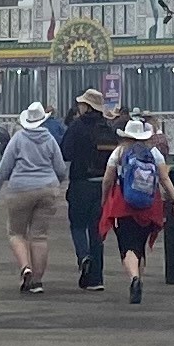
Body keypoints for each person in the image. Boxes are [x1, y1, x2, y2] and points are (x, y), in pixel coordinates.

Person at [0, 100, 69, 293]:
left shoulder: (18, 139)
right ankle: (37, 281)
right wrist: (55, 183)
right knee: (40, 237)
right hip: (47, 189)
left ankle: (25, 267)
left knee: (16, 233)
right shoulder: (50, 139)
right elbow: (60, 168)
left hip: (20, 190)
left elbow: (4, 168)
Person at [102, 116, 174, 304]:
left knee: (128, 247)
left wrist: (104, 199)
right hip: (150, 204)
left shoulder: (119, 152)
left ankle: (134, 278)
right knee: (140, 245)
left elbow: (108, 179)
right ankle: (139, 279)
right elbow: (165, 179)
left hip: (123, 204)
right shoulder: (155, 153)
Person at [61, 91, 116, 291]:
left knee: (77, 225)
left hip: (81, 183)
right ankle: (96, 279)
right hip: (103, 185)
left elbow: (65, 152)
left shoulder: (77, 127)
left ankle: (83, 256)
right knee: (97, 231)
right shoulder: (108, 129)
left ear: (87, 107)